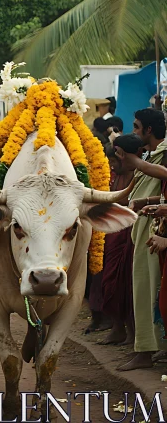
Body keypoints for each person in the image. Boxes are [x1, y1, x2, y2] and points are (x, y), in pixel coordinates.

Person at [117, 108, 167, 371]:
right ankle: (150, 347)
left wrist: (135, 162)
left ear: (148, 130)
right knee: (146, 292)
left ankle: (146, 351)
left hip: (158, 232)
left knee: (151, 292)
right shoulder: (150, 154)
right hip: (146, 227)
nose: (134, 132)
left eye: (137, 127)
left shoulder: (162, 154)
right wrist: (144, 201)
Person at [94, 135, 140, 346]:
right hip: (111, 234)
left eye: (115, 160)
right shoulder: (112, 176)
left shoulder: (138, 176)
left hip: (128, 232)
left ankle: (132, 333)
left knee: (127, 284)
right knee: (109, 281)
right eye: (110, 161)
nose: (113, 164)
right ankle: (117, 328)